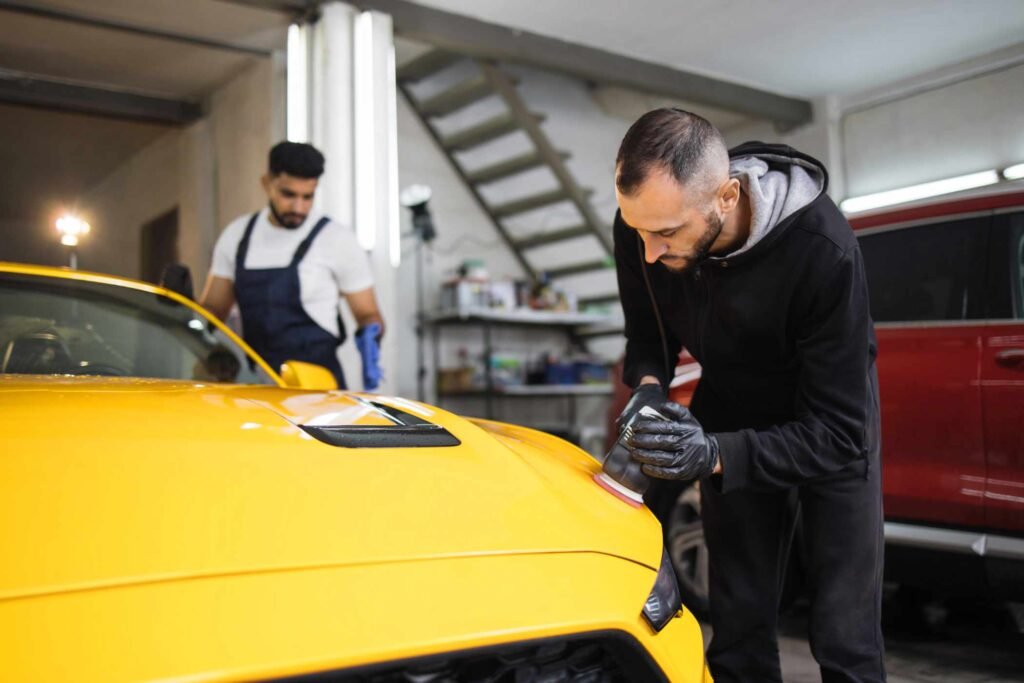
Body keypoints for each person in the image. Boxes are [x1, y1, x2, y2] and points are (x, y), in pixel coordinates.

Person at [613, 109, 884, 683]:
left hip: (827, 422)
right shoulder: (645, 223)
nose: (649, 254)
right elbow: (648, 333)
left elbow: (839, 431)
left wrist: (712, 454)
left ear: (727, 196)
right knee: (737, 625)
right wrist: (648, 389)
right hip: (730, 402)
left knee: (845, 634)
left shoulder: (822, 250)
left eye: (665, 234)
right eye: (637, 231)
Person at [200, 141, 384, 389]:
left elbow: (367, 313)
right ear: (267, 183)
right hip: (256, 385)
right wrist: (186, 316)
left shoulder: (337, 239)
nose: (298, 208)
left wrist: (370, 337)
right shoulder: (236, 236)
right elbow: (213, 308)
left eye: (307, 197)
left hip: (319, 388)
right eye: (288, 195)